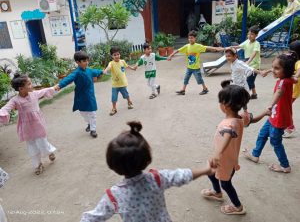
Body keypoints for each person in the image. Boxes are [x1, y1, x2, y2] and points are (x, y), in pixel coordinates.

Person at [80, 121, 214, 222]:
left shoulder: (113, 196)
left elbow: (91, 218)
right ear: (147, 158)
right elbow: (182, 175)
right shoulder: (157, 179)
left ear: (112, 164)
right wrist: (205, 170)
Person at [201, 85, 267, 215]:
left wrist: (217, 154)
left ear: (225, 105)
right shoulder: (240, 117)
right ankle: (217, 192)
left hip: (224, 160)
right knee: (210, 172)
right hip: (226, 157)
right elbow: (252, 120)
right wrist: (264, 113)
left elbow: (228, 134)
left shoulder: (229, 124)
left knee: (226, 184)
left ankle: (238, 207)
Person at [243, 52, 298, 173]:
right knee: (263, 134)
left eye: (277, 68)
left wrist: (270, 105)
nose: (273, 70)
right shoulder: (289, 79)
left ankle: (285, 166)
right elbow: (295, 78)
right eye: (273, 67)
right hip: (275, 115)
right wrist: (268, 71)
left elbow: (278, 92)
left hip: (279, 118)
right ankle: (255, 155)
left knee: (275, 141)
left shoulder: (283, 82)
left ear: (287, 70)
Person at [0, 74, 57, 175]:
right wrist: (2, 113)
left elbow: (44, 91)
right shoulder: (15, 100)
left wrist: (54, 88)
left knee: (42, 143)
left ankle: (49, 151)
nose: (32, 85)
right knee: (31, 146)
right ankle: (37, 164)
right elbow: (6, 108)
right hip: (26, 127)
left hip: (38, 124)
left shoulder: (34, 94)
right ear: (21, 88)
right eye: (29, 84)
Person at [56, 51, 103, 138]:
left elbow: (96, 71)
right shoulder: (76, 72)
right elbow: (68, 78)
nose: (87, 62)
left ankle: (93, 129)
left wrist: (102, 72)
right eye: (84, 61)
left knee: (92, 113)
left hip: (90, 96)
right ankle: (89, 123)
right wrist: (60, 85)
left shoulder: (89, 70)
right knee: (83, 113)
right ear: (77, 62)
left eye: (87, 60)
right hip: (80, 96)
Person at [261, 40, 300, 137]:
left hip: (292, 90)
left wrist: (295, 76)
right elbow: (278, 66)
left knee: (284, 108)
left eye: (291, 50)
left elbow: (298, 71)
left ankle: (289, 127)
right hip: (291, 88)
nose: (289, 52)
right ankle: (286, 125)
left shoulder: (298, 62)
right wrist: (268, 70)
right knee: (283, 107)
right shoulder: (292, 59)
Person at [168, 30, 223, 95]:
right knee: (186, 79)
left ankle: (205, 89)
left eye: (192, 38)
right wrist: (171, 55)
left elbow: (207, 47)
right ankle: (183, 90)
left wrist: (216, 48)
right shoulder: (187, 46)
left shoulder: (198, 46)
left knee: (199, 79)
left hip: (196, 68)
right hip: (189, 67)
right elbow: (178, 50)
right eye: (189, 38)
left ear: (195, 38)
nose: (190, 39)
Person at [103, 47, 136, 116]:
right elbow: (108, 67)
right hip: (115, 85)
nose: (117, 56)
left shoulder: (122, 61)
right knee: (113, 97)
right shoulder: (111, 63)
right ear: (112, 56)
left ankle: (129, 102)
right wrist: (106, 70)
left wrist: (133, 68)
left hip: (123, 84)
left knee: (126, 95)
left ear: (120, 54)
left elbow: (127, 66)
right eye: (114, 55)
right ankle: (114, 109)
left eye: (118, 54)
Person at [230, 25, 261, 99]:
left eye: (252, 34)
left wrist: (248, 61)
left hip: (254, 65)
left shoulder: (257, 44)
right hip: (248, 64)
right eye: (248, 34)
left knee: (248, 81)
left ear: (256, 35)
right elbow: (239, 46)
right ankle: (254, 94)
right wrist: (230, 47)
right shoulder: (247, 42)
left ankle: (244, 96)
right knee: (251, 80)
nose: (249, 36)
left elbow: (254, 53)